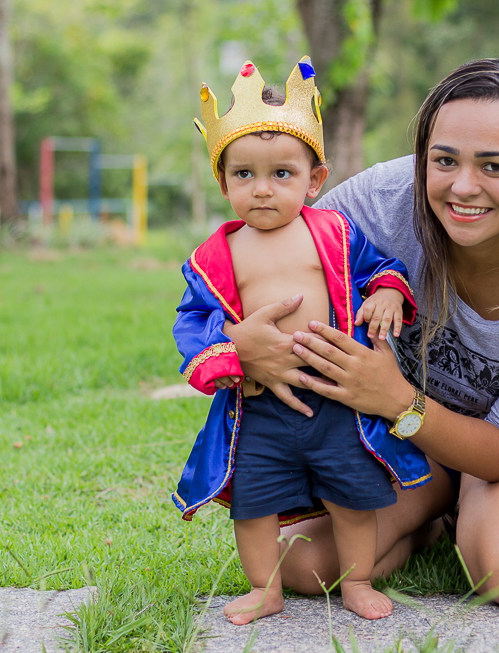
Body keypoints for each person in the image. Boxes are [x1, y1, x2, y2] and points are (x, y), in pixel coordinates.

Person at [224, 56, 499, 609]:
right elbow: (246, 257)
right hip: (409, 427)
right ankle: (438, 509)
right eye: (444, 160)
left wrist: (394, 399)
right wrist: (240, 343)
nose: (463, 187)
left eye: (495, 167)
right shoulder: (381, 203)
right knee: (305, 567)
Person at [171, 56, 432, 624]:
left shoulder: (334, 232)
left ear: (315, 180)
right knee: (254, 504)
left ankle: (357, 580)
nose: (262, 190)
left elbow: (378, 266)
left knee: (351, 494)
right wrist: (230, 352)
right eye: (244, 175)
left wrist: (387, 292)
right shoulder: (216, 257)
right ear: (223, 182)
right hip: (260, 406)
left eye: (281, 174)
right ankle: (265, 590)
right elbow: (194, 321)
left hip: (337, 398)